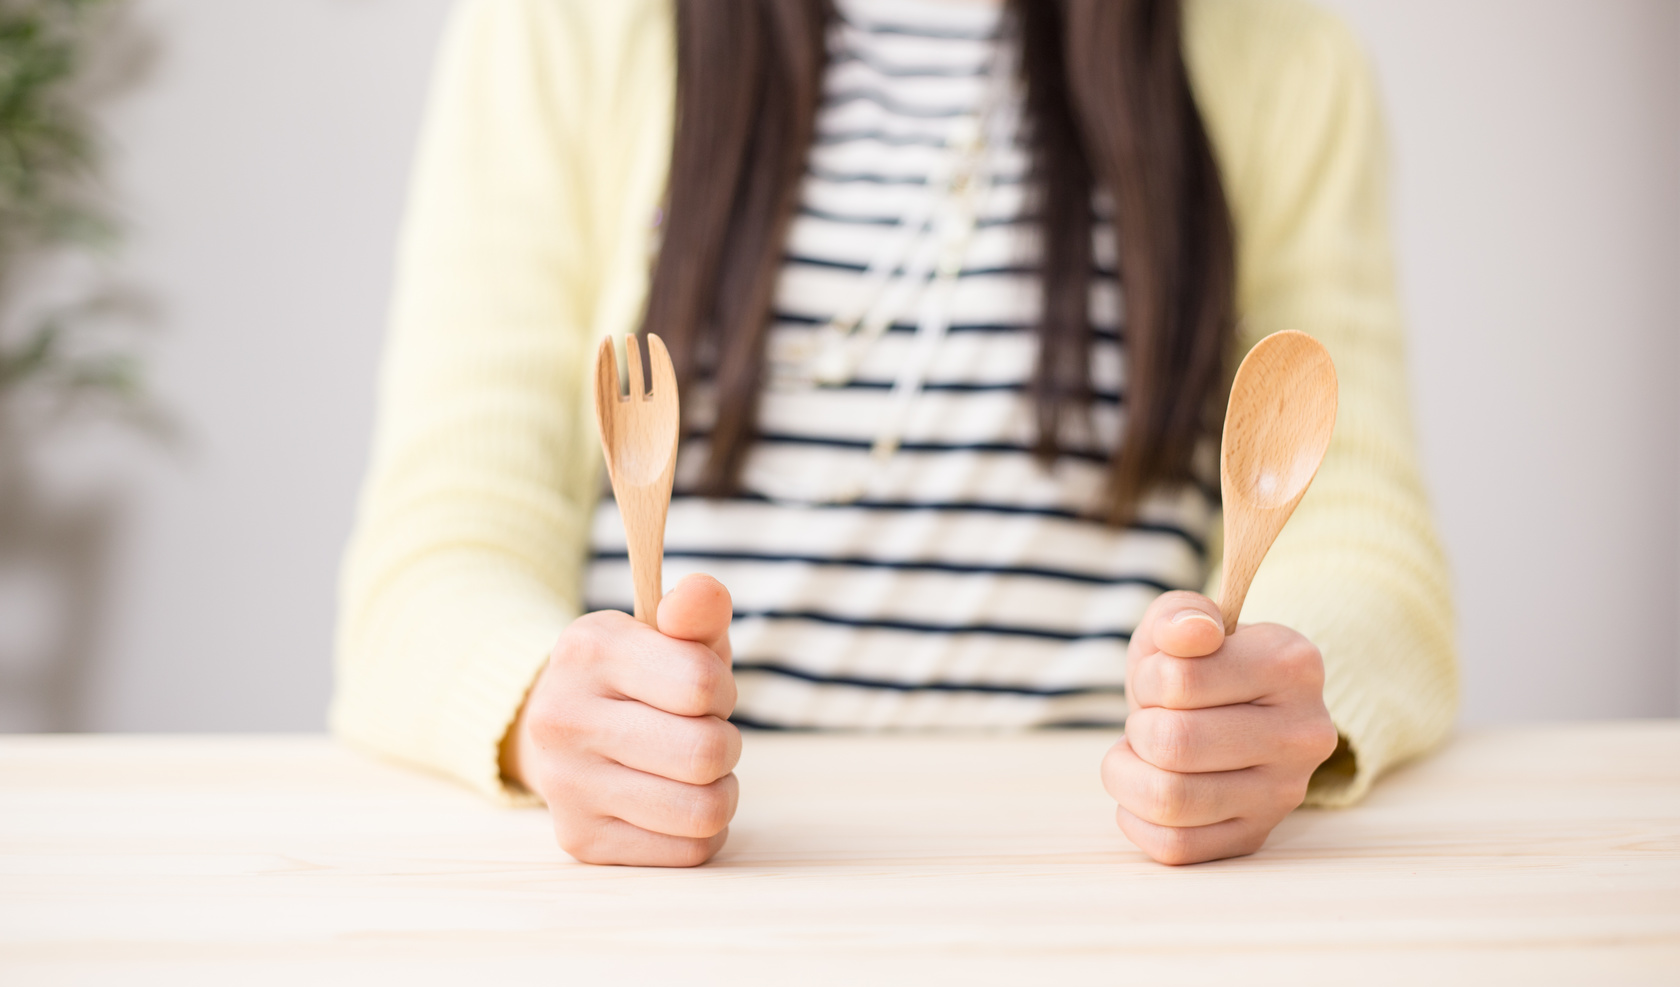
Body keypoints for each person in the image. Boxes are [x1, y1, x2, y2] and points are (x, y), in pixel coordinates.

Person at [331, 0, 1458, 867]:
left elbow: (1360, 535)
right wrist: (544, 709)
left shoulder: (1274, 50)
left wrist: (1275, 709)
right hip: (701, 891)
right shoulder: (566, 30)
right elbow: (434, 556)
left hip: (1114, 885)